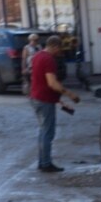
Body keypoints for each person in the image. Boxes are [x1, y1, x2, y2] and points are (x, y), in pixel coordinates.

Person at [29, 35, 80, 173]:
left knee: (43, 131)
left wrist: (58, 100)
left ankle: (42, 161)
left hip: (36, 98)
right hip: (44, 100)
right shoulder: (48, 59)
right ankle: (45, 163)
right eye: (59, 49)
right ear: (55, 46)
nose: (60, 52)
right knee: (48, 133)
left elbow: (41, 81)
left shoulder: (38, 56)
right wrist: (70, 95)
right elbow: (52, 83)